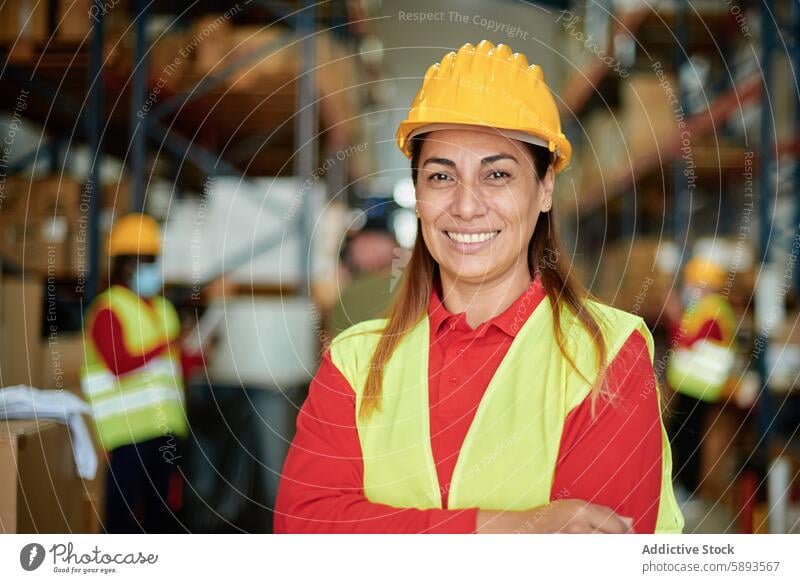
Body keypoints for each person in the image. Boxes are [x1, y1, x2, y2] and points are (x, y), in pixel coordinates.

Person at [275, 40, 684, 534]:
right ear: (419, 195)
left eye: (497, 175)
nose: (466, 207)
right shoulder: (353, 364)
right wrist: (513, 528)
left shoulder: (606, 354)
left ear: (545, 188)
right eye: (441, 176)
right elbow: (305, 532)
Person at [80, 213, 202, 533]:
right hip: (128, 436)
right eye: (141, 261)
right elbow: (118, 364)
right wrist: (165, 345)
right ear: (123, 265)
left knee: (163, 517)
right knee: (124, 520)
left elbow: (173, 366)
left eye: (151, 260)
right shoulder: (108, 309)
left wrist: (196, 358)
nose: (149, 269)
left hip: (166, 430)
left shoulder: (163, 308)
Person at [666, 257, 737, 501]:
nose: (690, 288)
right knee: (682, 435)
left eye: (693, 284)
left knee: (688, 440)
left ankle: (689, 493)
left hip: (700, 387)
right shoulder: (703, 307)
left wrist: (674, 317)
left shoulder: (712, 310)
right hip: (691, 385)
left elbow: (687, 341)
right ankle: (683, 489)